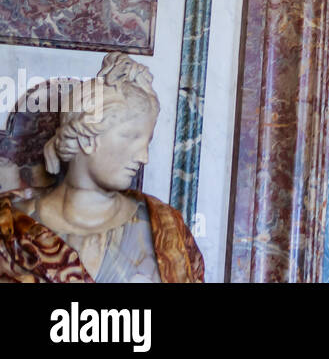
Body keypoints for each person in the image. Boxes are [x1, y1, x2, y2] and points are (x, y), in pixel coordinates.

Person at [0, 54, 203, 283]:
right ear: (87, 138)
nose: (144, 157)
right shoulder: (8, 227)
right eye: (130, 137)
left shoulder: (167, 229)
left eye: (147, 142)